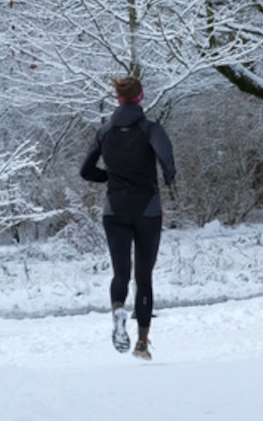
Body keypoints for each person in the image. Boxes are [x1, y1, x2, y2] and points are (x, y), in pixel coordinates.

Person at [80, 76, 176, 359]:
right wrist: (168, 179)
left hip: (114, 210)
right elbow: (166, 158)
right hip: (147, 209)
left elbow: (86, 170)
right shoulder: (150, 129)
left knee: (120, 272)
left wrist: (112, 177)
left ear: (118, 99)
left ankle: (118, 308)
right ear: (141, 97)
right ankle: (141, 344)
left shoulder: (104, 131)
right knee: (143, 277)